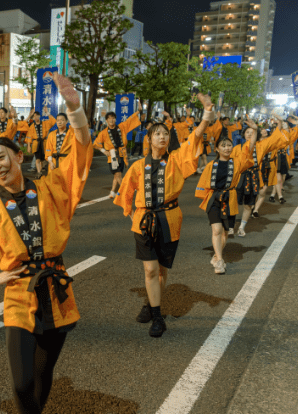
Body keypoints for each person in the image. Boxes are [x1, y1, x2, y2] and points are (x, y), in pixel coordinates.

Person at [0, 73, 93, 413]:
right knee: (21, 383)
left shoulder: (51, 187)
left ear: (18, 157)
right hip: (19, 294)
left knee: (43, 376)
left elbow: (81, 152)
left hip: (56, 291)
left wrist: (74, 108)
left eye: (1, 158)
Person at [114, 92, 215, 337]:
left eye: (165, 134)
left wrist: (206, 114)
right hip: (144, 223)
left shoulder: (177, 160)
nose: (162, 137)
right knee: (150, 270)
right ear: (149, 139)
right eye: (157, 133)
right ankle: (158, 316)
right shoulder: (138, 166)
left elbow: (195, 137)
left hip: (169, 221)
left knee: (161, 270)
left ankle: (151, 304)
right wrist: (134, 217)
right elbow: (125, 194)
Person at [195, 116, 257, 274]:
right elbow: (203, 186)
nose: (227, 148)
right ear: (217, 149)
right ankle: (220, 261)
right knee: (216, 230)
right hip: (214, 199)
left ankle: (217, 256)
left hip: (230, 199)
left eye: (229, 145)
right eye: (223, 146)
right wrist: (207, 201)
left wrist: (255, 131)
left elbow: (249, 149)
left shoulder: (237, 163)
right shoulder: (211, 165)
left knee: (225, 232)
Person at [234, 116, 289, 236]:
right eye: (247, 132)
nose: (249, 134)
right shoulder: (237, 148)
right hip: (238, 178)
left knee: (249, 204)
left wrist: (280, 122)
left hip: (254, 176)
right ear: (243, 135)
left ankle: (242, 227)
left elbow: (274, 137)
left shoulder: (262, 145)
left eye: (252, 132)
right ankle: (229, 226)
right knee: (232, 202)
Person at [94, 102, 143, 198]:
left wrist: (139, 111)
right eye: (109, 118)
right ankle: (128, 192)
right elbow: (95, 144)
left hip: (121, 154)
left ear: (115, 119)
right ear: (106, 120)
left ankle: (112, 192)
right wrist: (104, 151)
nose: (111, 120)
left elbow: (130, 119)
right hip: (112, 155)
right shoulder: (103, 133)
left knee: (117, 175)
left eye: (113, 118)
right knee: (118, 174)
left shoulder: (122, 127)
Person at [24, 107, 56, 177]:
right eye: (34, 116)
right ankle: (39, 172)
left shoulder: (45, 123)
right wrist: (29, 146)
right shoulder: (32, 126)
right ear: (33, 117)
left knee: (42, 159)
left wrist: (47, 112)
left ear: (39, 116)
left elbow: (53, 121)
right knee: (37, 159)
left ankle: (40, 171)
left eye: (37, 116)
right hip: (36, 144)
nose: (36, 117)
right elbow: (29, 136)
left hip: (44, 143)